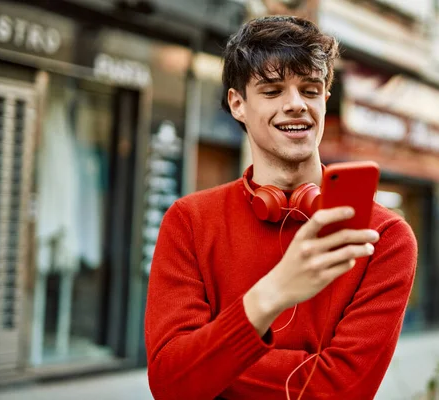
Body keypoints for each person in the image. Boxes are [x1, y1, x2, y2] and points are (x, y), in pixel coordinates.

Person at [144, 15, 417, 400]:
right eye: (272, 91)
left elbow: (341, 391)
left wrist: (214, 364)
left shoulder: (382, 237)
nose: (295, 105)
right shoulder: (189, 222)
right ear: (237, 104)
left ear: (325, 98)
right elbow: (171, 384)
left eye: (309, 89)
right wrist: (273, 293)